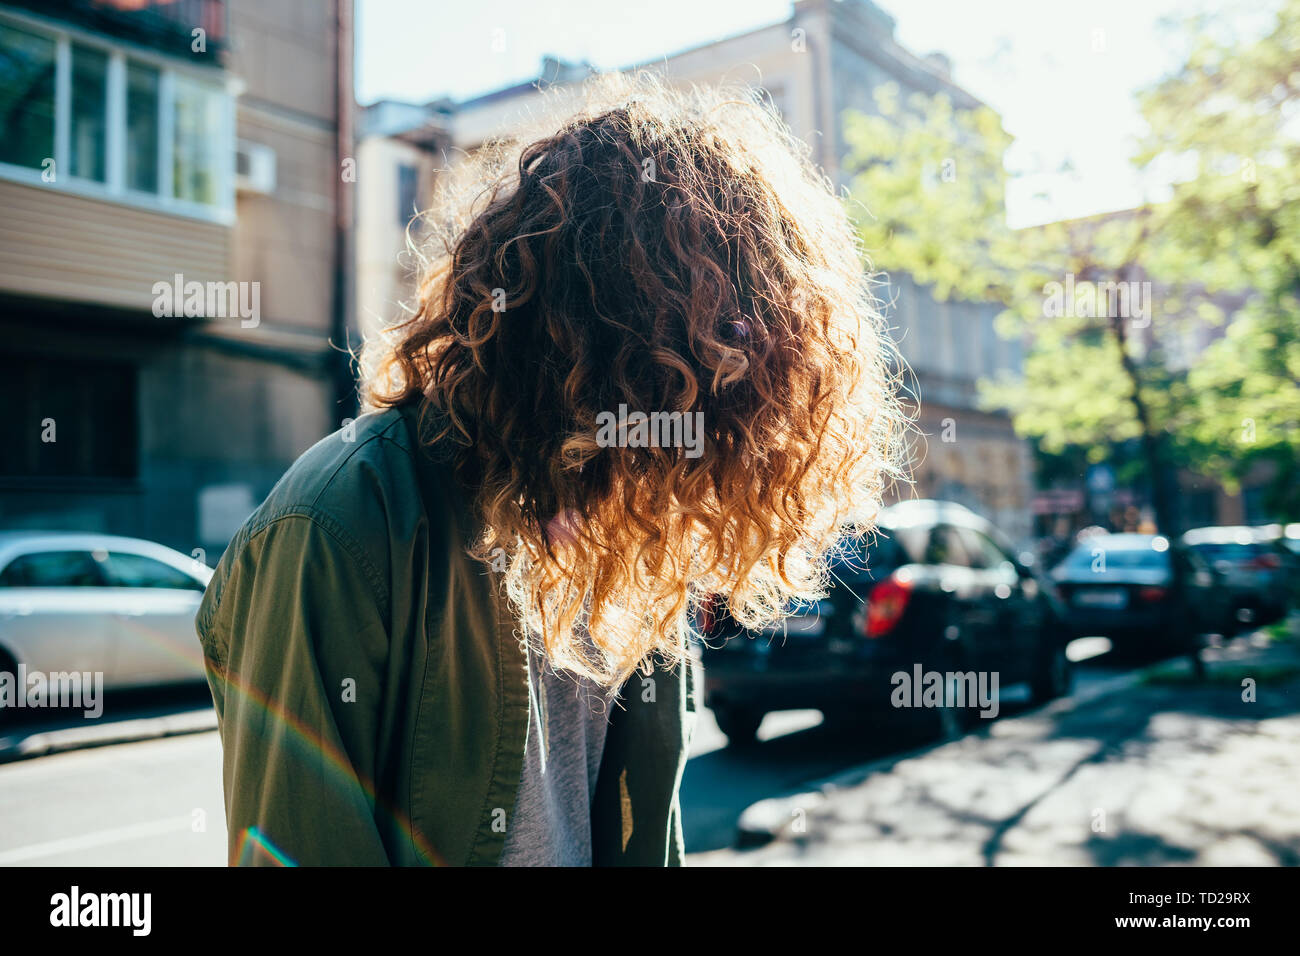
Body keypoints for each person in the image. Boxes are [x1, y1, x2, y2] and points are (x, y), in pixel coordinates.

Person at [196, 73, 905, 867]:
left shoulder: (638, 537)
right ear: (608, 349)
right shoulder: (339, 524)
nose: (712, 435)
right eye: (704, 378)